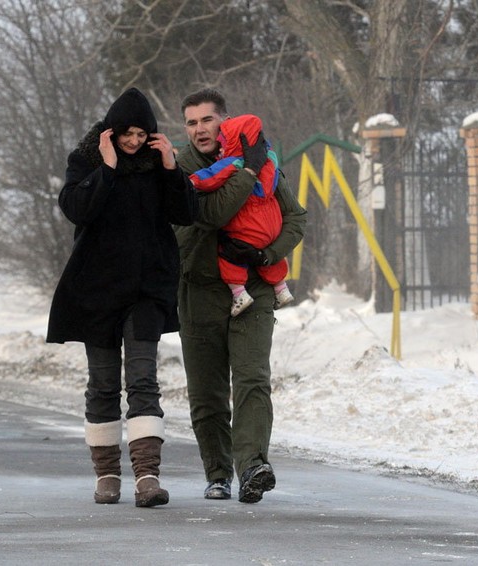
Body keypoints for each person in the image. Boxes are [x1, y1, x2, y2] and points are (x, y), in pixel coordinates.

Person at [47, 87, 198, 508]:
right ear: (111, 132)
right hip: (97, 291)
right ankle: (107, 475)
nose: (133, 141)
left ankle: (148, 476)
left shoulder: (158, 165)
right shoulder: (86, 159)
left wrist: (171, 168)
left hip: (146, 290)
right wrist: (108, 168)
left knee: (143, 380)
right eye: (127, 134)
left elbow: (186, 213)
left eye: (141, 134)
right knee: (102, 385)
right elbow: (76, 209)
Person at [175, 88, 307, 503]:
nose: (200, 129)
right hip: (200, 289)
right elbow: (213, 213)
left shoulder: (261, 158)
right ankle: (217, 473)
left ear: (225, 121)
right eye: (191, 122)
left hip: (254, 285)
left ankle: (253, 466)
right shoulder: (181, 169)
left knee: (252, 378)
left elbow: (295, 217)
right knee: (207, 391)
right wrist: (246, 171)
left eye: (207, 120)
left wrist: (267, 254)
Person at [188, 113, 294, 317]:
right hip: (272, 222)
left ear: (236, 143)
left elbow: (212, 176)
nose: (221, 148)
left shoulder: (235, 162)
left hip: (249, 222)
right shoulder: (269, 158)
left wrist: (192, 181)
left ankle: (239, 293)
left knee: (230, 254)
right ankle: (281, 288)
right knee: (267, 253)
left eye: (224, 143)